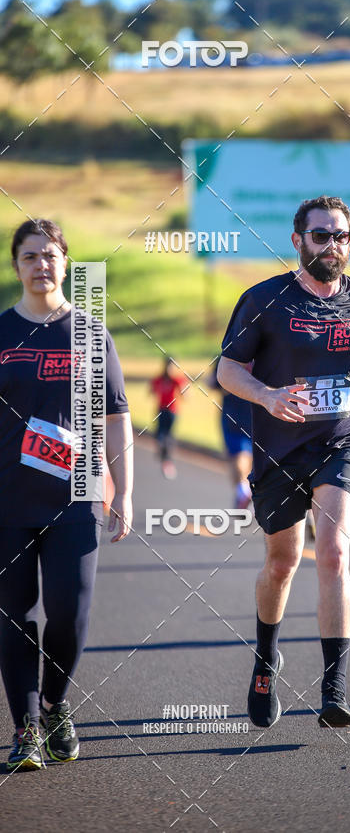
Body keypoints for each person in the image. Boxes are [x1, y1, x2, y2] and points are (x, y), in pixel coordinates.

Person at [218, 195, 350, 729]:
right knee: (282, 563)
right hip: (279, 449)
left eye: (341, 236)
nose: (332, 246)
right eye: (321, 236)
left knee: (333, 552)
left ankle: (334, 686)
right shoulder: (265, 299)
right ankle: (266, 658)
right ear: (298, 241)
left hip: (343, 441)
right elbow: (227, 370)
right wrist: (267, 397)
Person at [0, 219, 133, 771]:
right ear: (16, 266)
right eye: (29, 256)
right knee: (12, 615)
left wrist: (123, 491)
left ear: (65, 263)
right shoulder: (2, 332)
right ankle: (26, 728)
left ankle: (55, 704)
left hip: (77, 494)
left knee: (70, 613)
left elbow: (116, 415)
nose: (41, 265)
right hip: (7, 497)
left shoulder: (89, 333)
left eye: (50, 255)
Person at [209, 360, 254, 509]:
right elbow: (214, 382)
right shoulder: (228, 355)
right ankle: (242, 492)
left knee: (239, 456)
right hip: (239, 415)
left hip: (245, 416)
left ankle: (244, 492)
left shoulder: (230, 352)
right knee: (241, 456)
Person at [150, 358, 186, 479]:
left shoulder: (176, 380)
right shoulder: (159, 378)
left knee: (168, 436)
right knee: (159, 435)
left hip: (172, 411)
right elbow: (151, 390)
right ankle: (162, 454)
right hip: (161, 409)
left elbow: (185, 394)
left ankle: (167, 461)